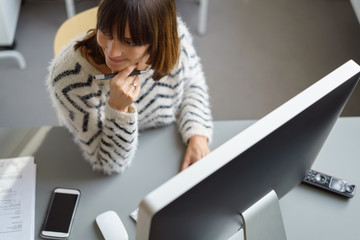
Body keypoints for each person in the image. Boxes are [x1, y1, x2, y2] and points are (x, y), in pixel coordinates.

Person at [46, 0, 213, 175]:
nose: (112, 52)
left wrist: (197, 135)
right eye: (106, 32)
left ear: (158, 40)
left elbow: (191, 82)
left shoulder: (176, 37)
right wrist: (119, 109)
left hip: (169, 139)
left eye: (130, 42)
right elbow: (108, 163)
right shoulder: (69, 78)